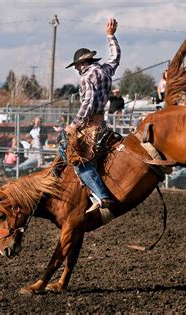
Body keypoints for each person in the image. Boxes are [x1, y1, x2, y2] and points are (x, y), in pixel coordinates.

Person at [64, 17, 120, 211]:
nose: (77, 69)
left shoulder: (86, 77)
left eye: (77, 66)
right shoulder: (105, 70)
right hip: (102, 123)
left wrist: (75, 124)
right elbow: (115, 57)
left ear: (80, 64)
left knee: (78, 161)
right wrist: (110, 36)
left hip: (90, 125)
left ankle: (101, 195)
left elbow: (88, 102)